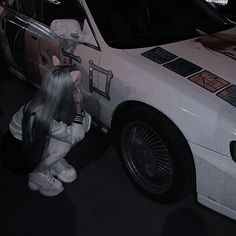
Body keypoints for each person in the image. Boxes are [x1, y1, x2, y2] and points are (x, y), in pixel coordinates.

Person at [1, 65, 91, 197]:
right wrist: (78, 105)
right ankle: (37, 173)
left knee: (66, 135)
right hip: (19, 156)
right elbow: (76, 135)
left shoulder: (51, 102)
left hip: (33, 143)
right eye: (75, 85)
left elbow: (86, 123)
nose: (79, 88)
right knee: (64, 146)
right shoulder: (41, 114)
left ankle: (51, 162)